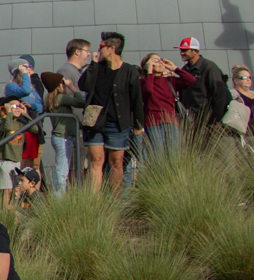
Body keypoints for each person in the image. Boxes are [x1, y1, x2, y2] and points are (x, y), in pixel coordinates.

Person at [79, 31, 144, 191]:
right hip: (95, 122)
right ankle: (94, 203)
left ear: (112, 48)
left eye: (102, 46)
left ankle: (114, 201)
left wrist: (138, 124)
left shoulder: (129, 71)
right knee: (97, 159)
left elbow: (136, 99)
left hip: (118, 124)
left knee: (116, 162)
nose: (99, 50)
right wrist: (93, 65)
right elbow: (84, 85)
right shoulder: (97, 68)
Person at [138, 53, 194, 161]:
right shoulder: (143, 82)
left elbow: (190, 80)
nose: (159, 63)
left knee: (174, 158)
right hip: (153, 123)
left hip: (171, 122)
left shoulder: (170, 81)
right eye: (155, 61)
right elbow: (148, 90)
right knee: (157, 158)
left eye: (160, 60)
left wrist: (175, 68)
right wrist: (149, 72)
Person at [175, 38, 231, 132]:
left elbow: (218, 94)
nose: (181, 53)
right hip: (190, 121)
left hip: (207, 121)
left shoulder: (209, 67)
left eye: (185, 50)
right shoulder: (185, 69)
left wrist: (215, 121)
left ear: (195, 51)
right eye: (181, 50)